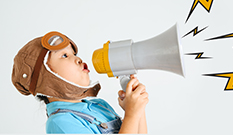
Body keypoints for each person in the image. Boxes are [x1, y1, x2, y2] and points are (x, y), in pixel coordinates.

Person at [11, 31, 148, 134]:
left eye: (74, 54)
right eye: (64, 55)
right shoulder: (60, 122)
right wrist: (131, 113)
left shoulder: (99, 105)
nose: (78, 59)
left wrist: (137, 107)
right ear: (45, 76)